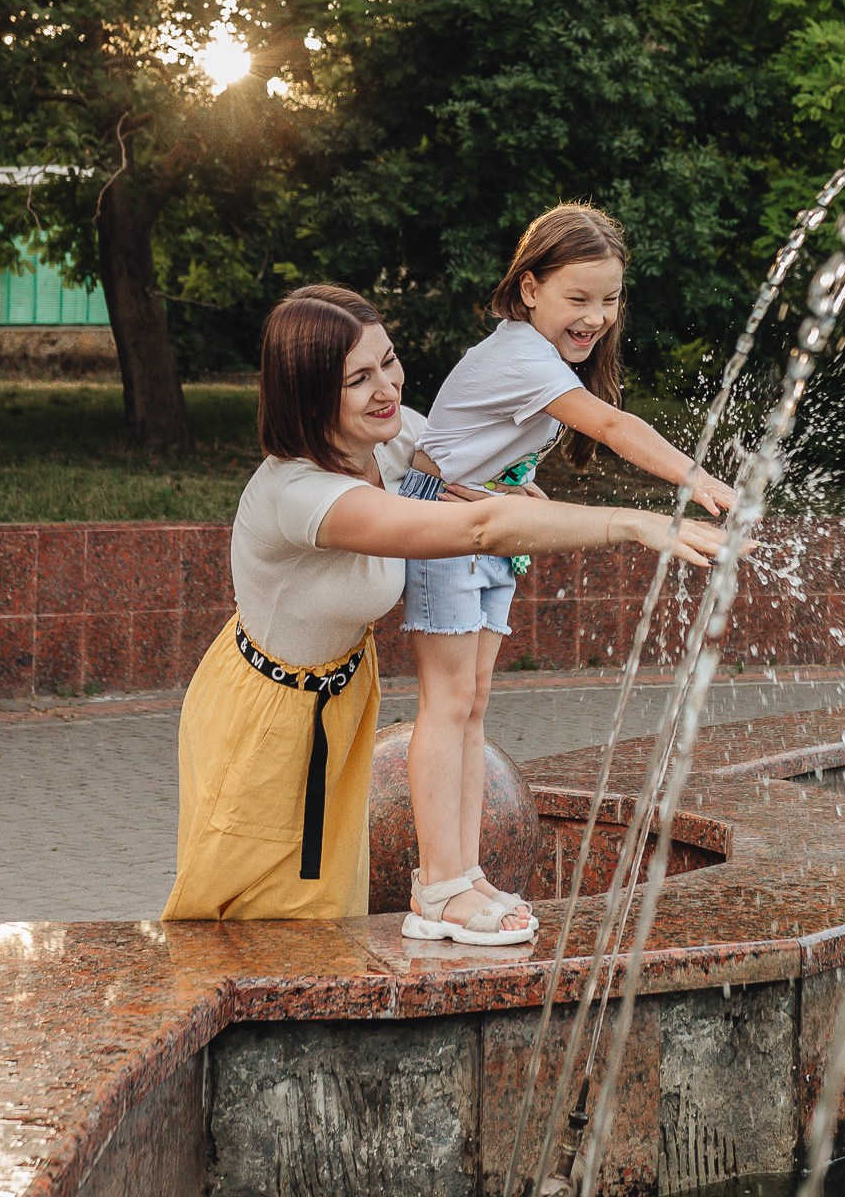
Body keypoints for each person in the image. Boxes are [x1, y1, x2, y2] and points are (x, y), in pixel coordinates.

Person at [162, 281, 729, 929]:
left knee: (322, 908)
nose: (388, 388)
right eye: (358, 379)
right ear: (307, 391)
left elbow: (486, 477)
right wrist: (631, 524)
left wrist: (518, 485)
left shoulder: (396, 442)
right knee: (247, 914)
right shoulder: (299, 494)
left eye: (389, 360)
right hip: (266, 715)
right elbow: (477, 529)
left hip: (340, 699)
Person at [400, 204, 737, 947]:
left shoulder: (543, 356)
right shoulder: (521, 352)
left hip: (486, 519)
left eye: (609, 299)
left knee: (474, 702)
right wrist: (698, 479)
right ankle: (437, 888)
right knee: (447, 702)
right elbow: (615, 428)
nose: (596, 317)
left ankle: (462, 874)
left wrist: (515, 480)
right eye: (577, 298)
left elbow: (486, 442)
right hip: (447, 522)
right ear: (529, 290)